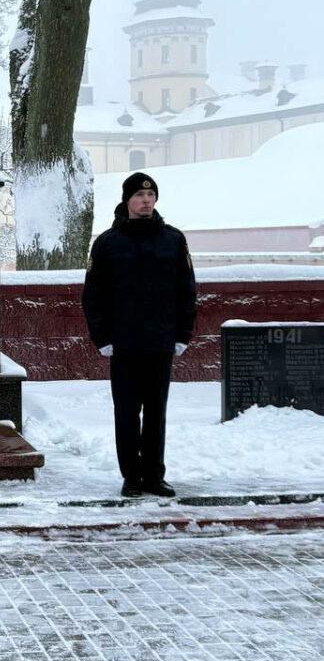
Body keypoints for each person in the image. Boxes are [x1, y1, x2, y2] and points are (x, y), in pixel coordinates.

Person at [82, 172, 196, 499]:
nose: (146, 201)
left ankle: (154, 476)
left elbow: (186, 291)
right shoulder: (107, 243)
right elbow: (93, 296)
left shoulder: (173, 240)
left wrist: (182, 335)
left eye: (150, 196)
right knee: (127, 413)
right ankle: (131, 476)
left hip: (161, 343)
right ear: (127, 201)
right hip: (124, 344)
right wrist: (102, 338)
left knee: (156, 412)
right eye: (139, 196)